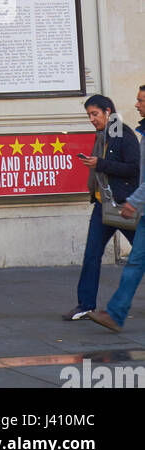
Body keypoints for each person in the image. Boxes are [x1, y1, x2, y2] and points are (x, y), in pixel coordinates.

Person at [62, 93, 140, 321]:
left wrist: (101, 164)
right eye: (88, 115)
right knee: (92, 254)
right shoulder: (102, 135)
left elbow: (135, 169)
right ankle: (85, 305)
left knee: (141, 254)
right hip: (103, 204)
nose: (92, 119)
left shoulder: (122, 133)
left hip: (124, 204)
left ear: (108, 112)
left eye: (94, 114)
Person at [90, 85, 145, 331]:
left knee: (135, 262)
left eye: (141, 101)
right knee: (135, 262)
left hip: (134, 203)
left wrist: (134, 201)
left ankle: (115, 313)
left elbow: (136, 172)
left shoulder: (125, 134)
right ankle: (114, 313)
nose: (136, 105)